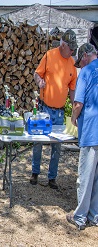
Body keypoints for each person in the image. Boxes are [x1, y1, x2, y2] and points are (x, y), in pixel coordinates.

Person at [30, 29, 78, 189]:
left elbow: (72, 89)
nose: (72, 51)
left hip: (60, 111)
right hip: (44, 109)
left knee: (57, 146)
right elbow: (37, 74)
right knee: (38, 142)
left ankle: (52, 177)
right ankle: (35, 173)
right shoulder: (50, 55)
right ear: (63, 45)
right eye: (70, 48)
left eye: (73, 49)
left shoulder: (71, 62)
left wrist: (74, 108)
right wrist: (39, 82)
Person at [66, 43, 98, 230]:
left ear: (85, 56)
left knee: (86, 176)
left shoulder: (85, 73)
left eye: (80, 61)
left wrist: (73, 118)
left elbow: (78, 103)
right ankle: (94, 215)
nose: (80, 65)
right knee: (97, 178)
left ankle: (79, 218)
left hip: (92, 131)